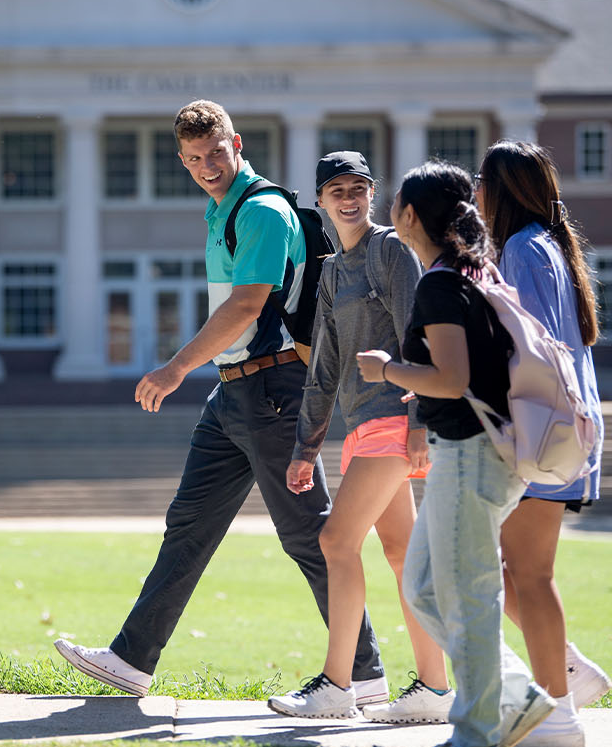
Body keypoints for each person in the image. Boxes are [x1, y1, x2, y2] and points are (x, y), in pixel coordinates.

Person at [54, 100, 387, 704]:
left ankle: (362, 671)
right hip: (237, 391)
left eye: (215, 152)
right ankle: (132, 659)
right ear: (182, 162)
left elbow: (246, 305)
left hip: (275, 391)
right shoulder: (221, 210)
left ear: (237, 144)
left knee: (310, 535)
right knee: (189, 523)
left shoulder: (258, 210)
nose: (207, 165)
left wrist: (176, 366)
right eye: (193, 159)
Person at [356, 160, 555, 747]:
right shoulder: (469, 271)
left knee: (467, 594)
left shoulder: (444, 281)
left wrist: (387, 368)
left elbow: (451, 376)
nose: (390, 213)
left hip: (471, 454)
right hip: (469, 453)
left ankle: (476, 729)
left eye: (394, 204)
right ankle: (517, 702)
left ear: (409, 215)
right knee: (422, 587)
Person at [267, 152, 451, 722]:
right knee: (402, 556)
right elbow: (324, 368)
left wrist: (421, 421)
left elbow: (418, 334)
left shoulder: (389, 250)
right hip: (361, 426)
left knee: (335, 543)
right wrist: (305, 448)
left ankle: (338, 685)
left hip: (395, 419)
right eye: (336, 190)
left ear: (372, 195)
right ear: (319, 201)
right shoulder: (330, 272)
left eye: (359, 188)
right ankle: (434, 691)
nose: (349, 198)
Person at [475, 140, 612, 747]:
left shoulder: (522, 249)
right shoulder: (547, 244)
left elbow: (529, 348)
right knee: (518, 570)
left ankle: (558, 709)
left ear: (500, 191)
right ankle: (567, 682)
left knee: (524, 573)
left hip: (544, 429)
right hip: (561, 426)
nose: (474, 194)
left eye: (481, 182)